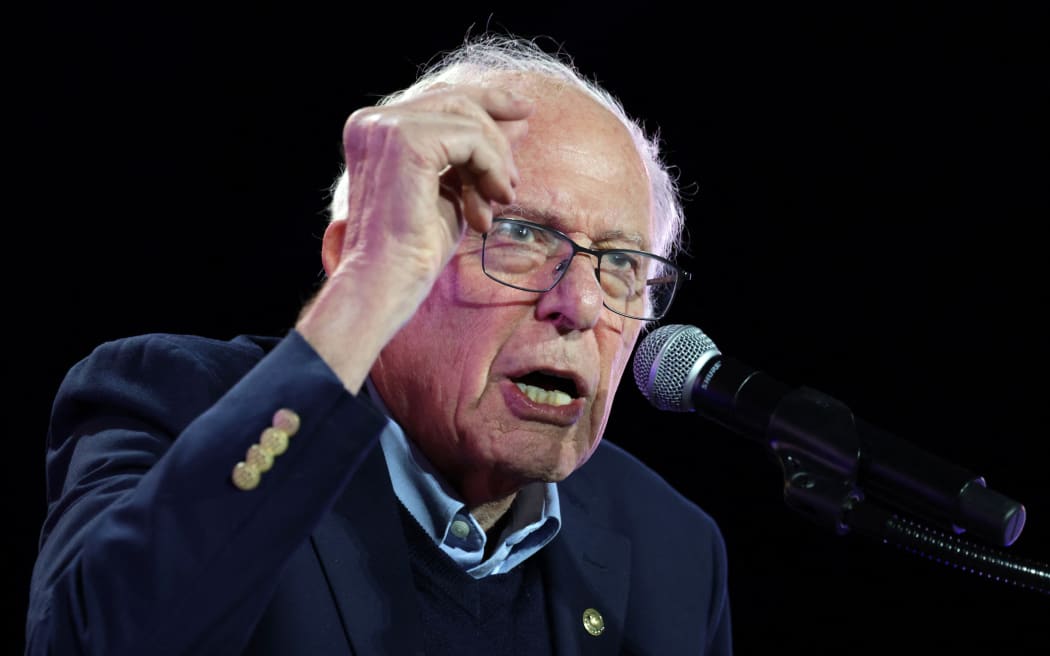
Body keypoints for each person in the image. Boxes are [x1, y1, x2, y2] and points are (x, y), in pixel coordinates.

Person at [25, 34, 732, 655]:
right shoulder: (171, 404)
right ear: (361, 256)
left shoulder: (674, 550)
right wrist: (362, 300)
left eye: (621, 265)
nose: (577, 304)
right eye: (518, 236)